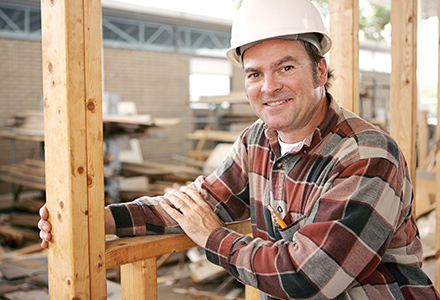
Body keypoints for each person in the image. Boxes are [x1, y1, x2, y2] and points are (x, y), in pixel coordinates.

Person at [39, 0, 440, 299]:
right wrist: (93, 219)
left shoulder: (366, 154)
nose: (269, 87)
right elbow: (197, 204)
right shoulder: (257, 141)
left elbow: (307, 276)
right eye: (254, 74)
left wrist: (211, 237)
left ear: (320, 70)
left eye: (286, 67)